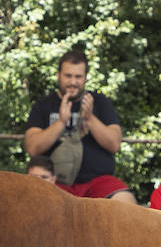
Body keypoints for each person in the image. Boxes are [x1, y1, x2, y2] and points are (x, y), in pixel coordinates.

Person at [24, 50, 136, 203]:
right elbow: (32, 147)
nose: (73, 82)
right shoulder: (44, 104)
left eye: (78, 77)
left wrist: (90, 118)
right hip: (55, 182)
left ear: (85, 78)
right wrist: (61, 122)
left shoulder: (99, 101)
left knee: (125, 200)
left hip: (97, 182)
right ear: (58, 75)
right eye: (68, 76)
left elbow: (114, 144)